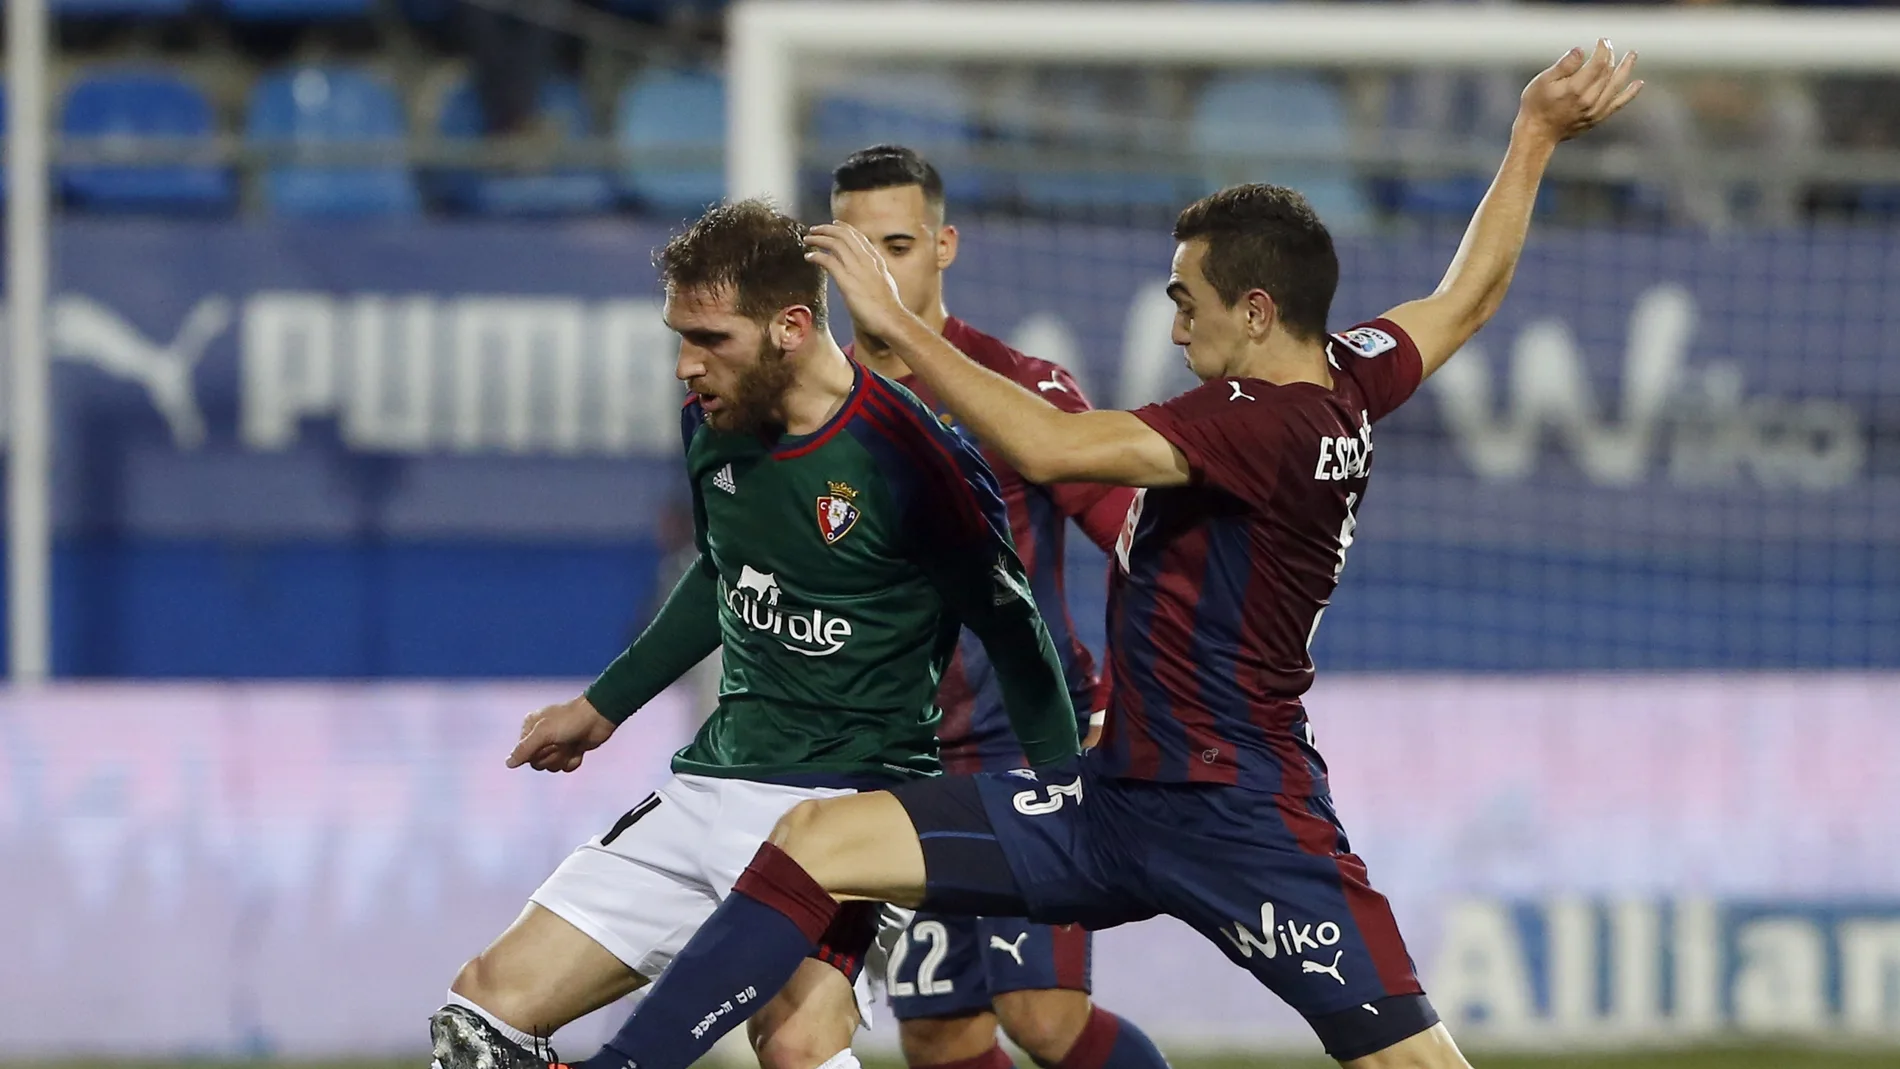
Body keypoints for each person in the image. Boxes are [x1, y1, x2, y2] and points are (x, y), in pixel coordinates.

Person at [560, 41, 1640, 1069]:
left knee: (1405, 1051)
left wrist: (896, 326)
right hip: (1113, 797)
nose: (1176, 327)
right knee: (814, 841)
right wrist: (1533, 133)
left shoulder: (1252, 425)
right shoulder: (1351, 374)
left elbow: (1046, 442)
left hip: (1239, 816)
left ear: (1255, 313)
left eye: (1188, 301)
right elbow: (1469, 294)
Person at [429, 200, 1080, 1069]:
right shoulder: (715, 419)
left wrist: (1066, 798)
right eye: (678, 335)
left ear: (792, 326)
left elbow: (1013, 628)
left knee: (797, 1042)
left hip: (842, 804)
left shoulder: (913, 459)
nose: (684, 366)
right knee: (482, 1012)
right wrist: (604, 705)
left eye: (709, 338)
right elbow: (725, 568)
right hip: (712, 780)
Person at [830, 144, 1166, 1069]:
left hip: (1030, 749)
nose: (877, 271)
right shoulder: (811, 407)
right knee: (938, 1035)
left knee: (1043, 1013)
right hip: (900, 764)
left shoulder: (1018, 389)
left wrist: (1119, 697)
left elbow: (1138, 536)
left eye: (896, 244)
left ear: (944, 245)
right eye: (855, 249)